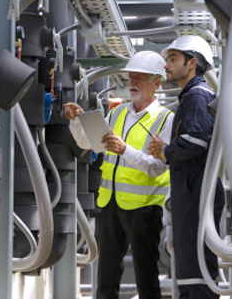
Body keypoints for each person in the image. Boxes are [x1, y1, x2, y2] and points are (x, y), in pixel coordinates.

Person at [63, 51, 173, 299]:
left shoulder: (166, 119)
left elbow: (158, 167)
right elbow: (91, 143)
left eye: (140, 78)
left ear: (156, 83)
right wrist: (78, 121)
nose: (132, 82)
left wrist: (125, 150)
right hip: (110, 202)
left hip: (144, 208)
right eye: (131, 77)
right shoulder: (117, 112)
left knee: (146, 278)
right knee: (106, 277)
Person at [148, 35, 224, 299]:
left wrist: (166, 150)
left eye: (172, 59)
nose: (166, 65)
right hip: (192, 188)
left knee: (196, 269)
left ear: (192, 63)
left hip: (196, 189)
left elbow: (196, 140)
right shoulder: (193, 96)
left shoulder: (196, 96)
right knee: (192, 267)